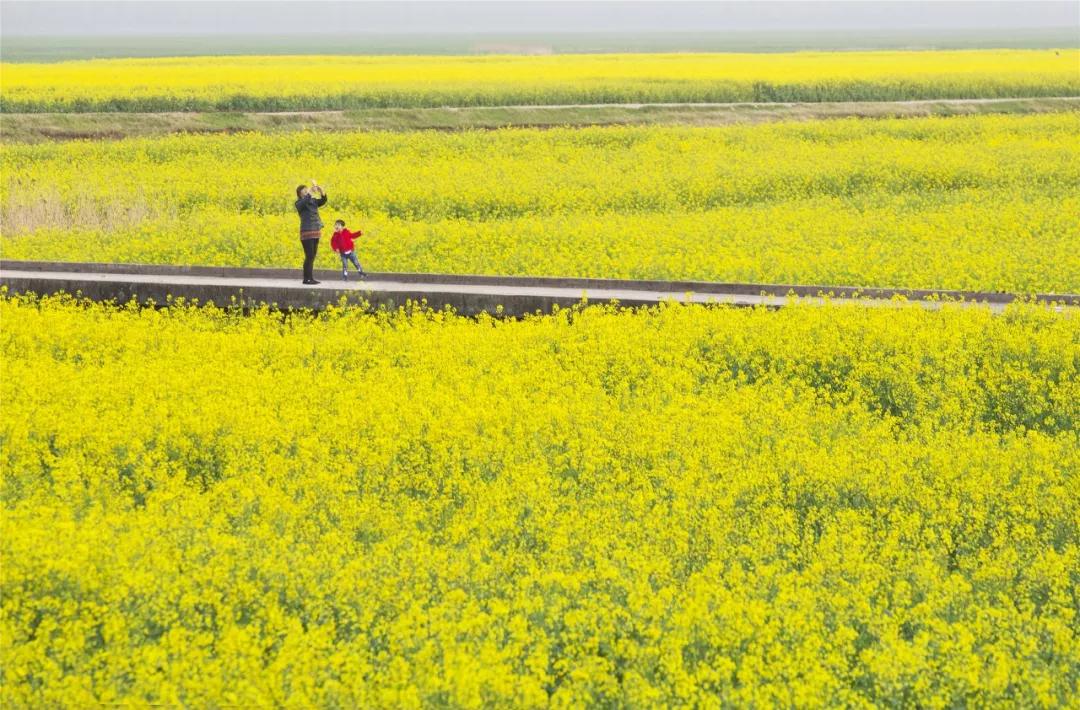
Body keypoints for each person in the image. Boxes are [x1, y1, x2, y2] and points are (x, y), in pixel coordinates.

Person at [295, 182, 327, 284]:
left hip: (316, 231)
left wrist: (321, 190)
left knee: (312, 256)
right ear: (299, 194)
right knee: (309, 256)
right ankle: (306, 279)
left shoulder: (312, 201)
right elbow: (305, 201)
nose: (306, 190)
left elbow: (323, 201)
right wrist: (310, 192)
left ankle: (310, 278)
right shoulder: (299, 203)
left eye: (306, 189)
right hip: (307, 232)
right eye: (303, 190)